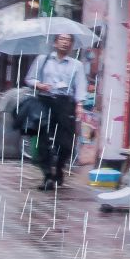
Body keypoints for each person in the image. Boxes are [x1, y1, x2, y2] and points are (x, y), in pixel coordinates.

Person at [25, 33, 87, 191]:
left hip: (65, 103)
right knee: (42, 140)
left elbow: (80, 86)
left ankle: (59, 168)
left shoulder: (76, 65)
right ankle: (47, 175)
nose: (65, 43)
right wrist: (39, 85)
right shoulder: (43, 59)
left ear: (72, 45)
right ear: (55, 43)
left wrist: (79, 105)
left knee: (65, 142)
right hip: (44, 101)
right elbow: (29, 78)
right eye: (62, 39)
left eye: (68, 41)